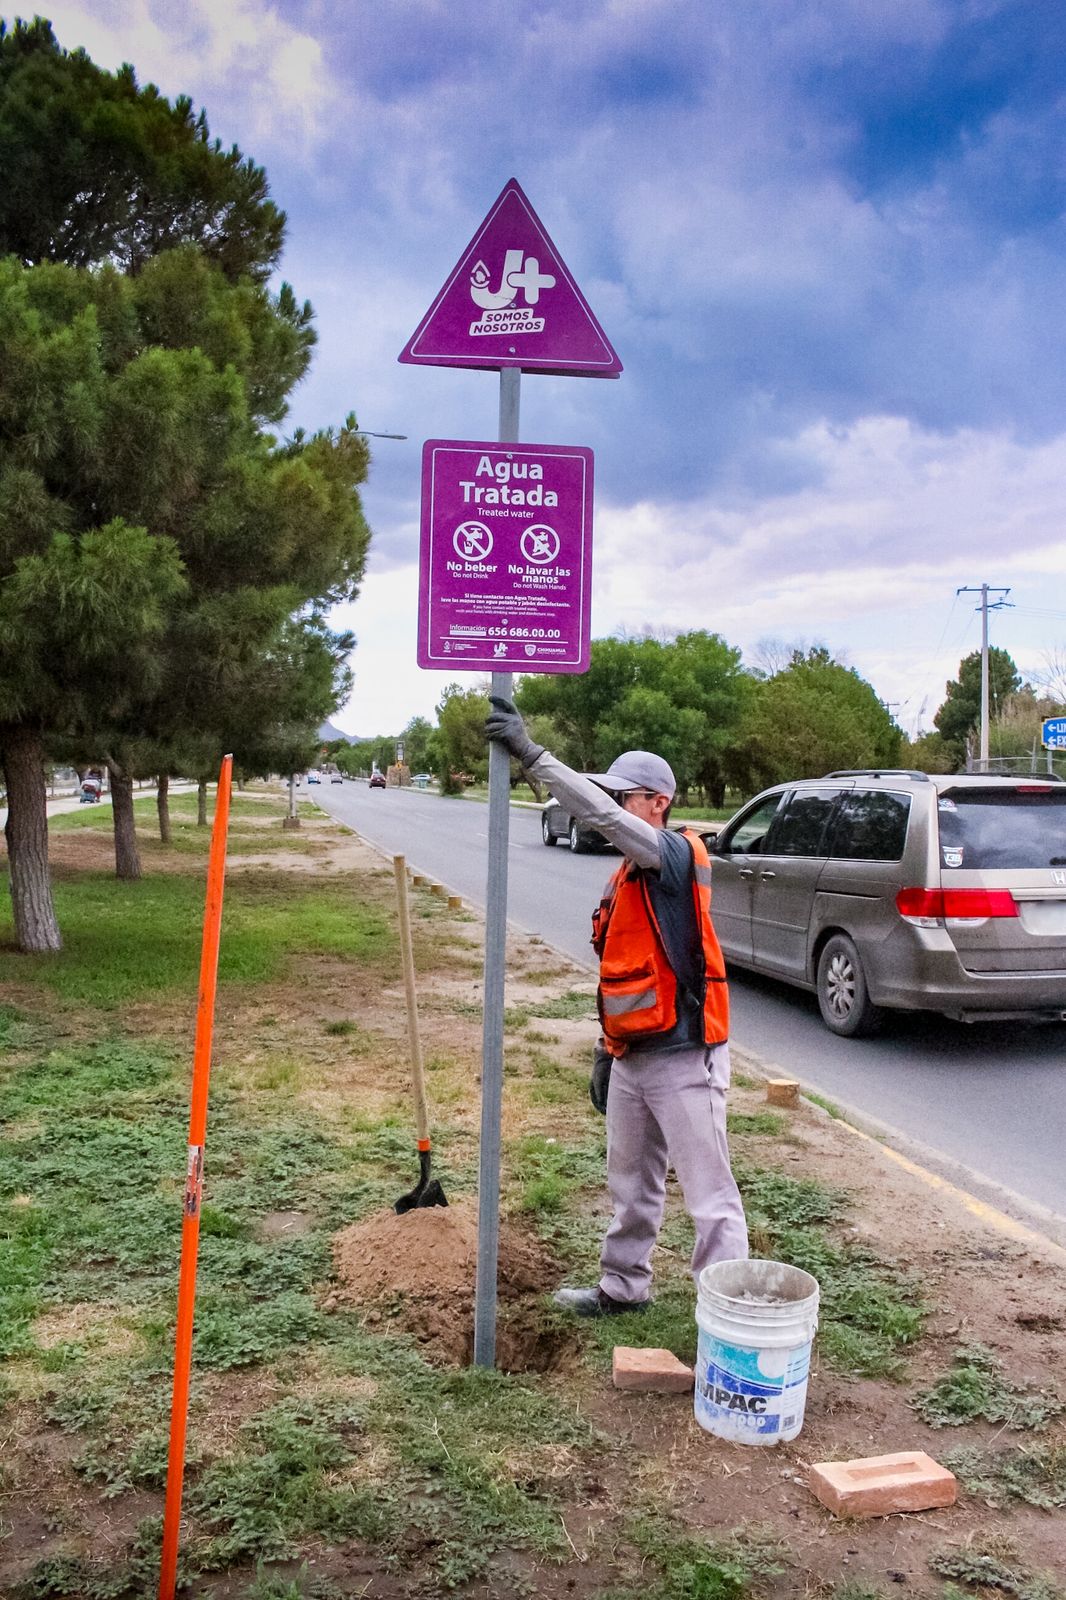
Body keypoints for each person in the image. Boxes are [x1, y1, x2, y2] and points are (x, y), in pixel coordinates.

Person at [485, 696, 748, 1317]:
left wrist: (533, 756)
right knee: (630, 1187)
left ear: (657, 802)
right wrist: (609, 1051)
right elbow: (622, 974)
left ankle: (732, 1318)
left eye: (626, 798)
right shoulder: (624, 876)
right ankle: (623, 1289)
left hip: (687, 1056)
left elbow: (598, 814)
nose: (616, 809)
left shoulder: (675, 856)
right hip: (634, 1056)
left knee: (710, 1198)